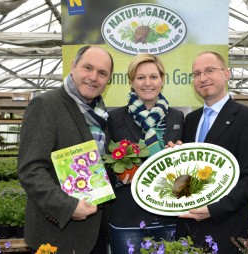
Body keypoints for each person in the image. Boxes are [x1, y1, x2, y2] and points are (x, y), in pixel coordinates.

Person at [17, 45, 114, 254]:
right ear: (73, 67)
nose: (93, 77)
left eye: (102, 73)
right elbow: (31, 169)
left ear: (108, 80)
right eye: (88, 68)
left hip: (95, 234)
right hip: (56, 235)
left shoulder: (101, 114)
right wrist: (67, 207)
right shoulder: (46, 105)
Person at [172, 51, 248, 254]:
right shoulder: (190, 120)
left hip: (226, 229)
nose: (203, 78)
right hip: (189, 228)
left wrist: (213, 210)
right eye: (196, 74)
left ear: (226, 74)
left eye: (209, 70)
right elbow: (187, 172)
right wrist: (175, 163)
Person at [107, 53, 184, 254]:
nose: (147, 83)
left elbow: (187, 166)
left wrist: (178, 158)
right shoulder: (115, 118)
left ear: (162, 80)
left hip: (168, 214)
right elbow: (105, 162)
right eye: (140, 77)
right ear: (131, 82)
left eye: (153, 77)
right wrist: (121, 174)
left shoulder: (177, 117)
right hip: (128, 216)